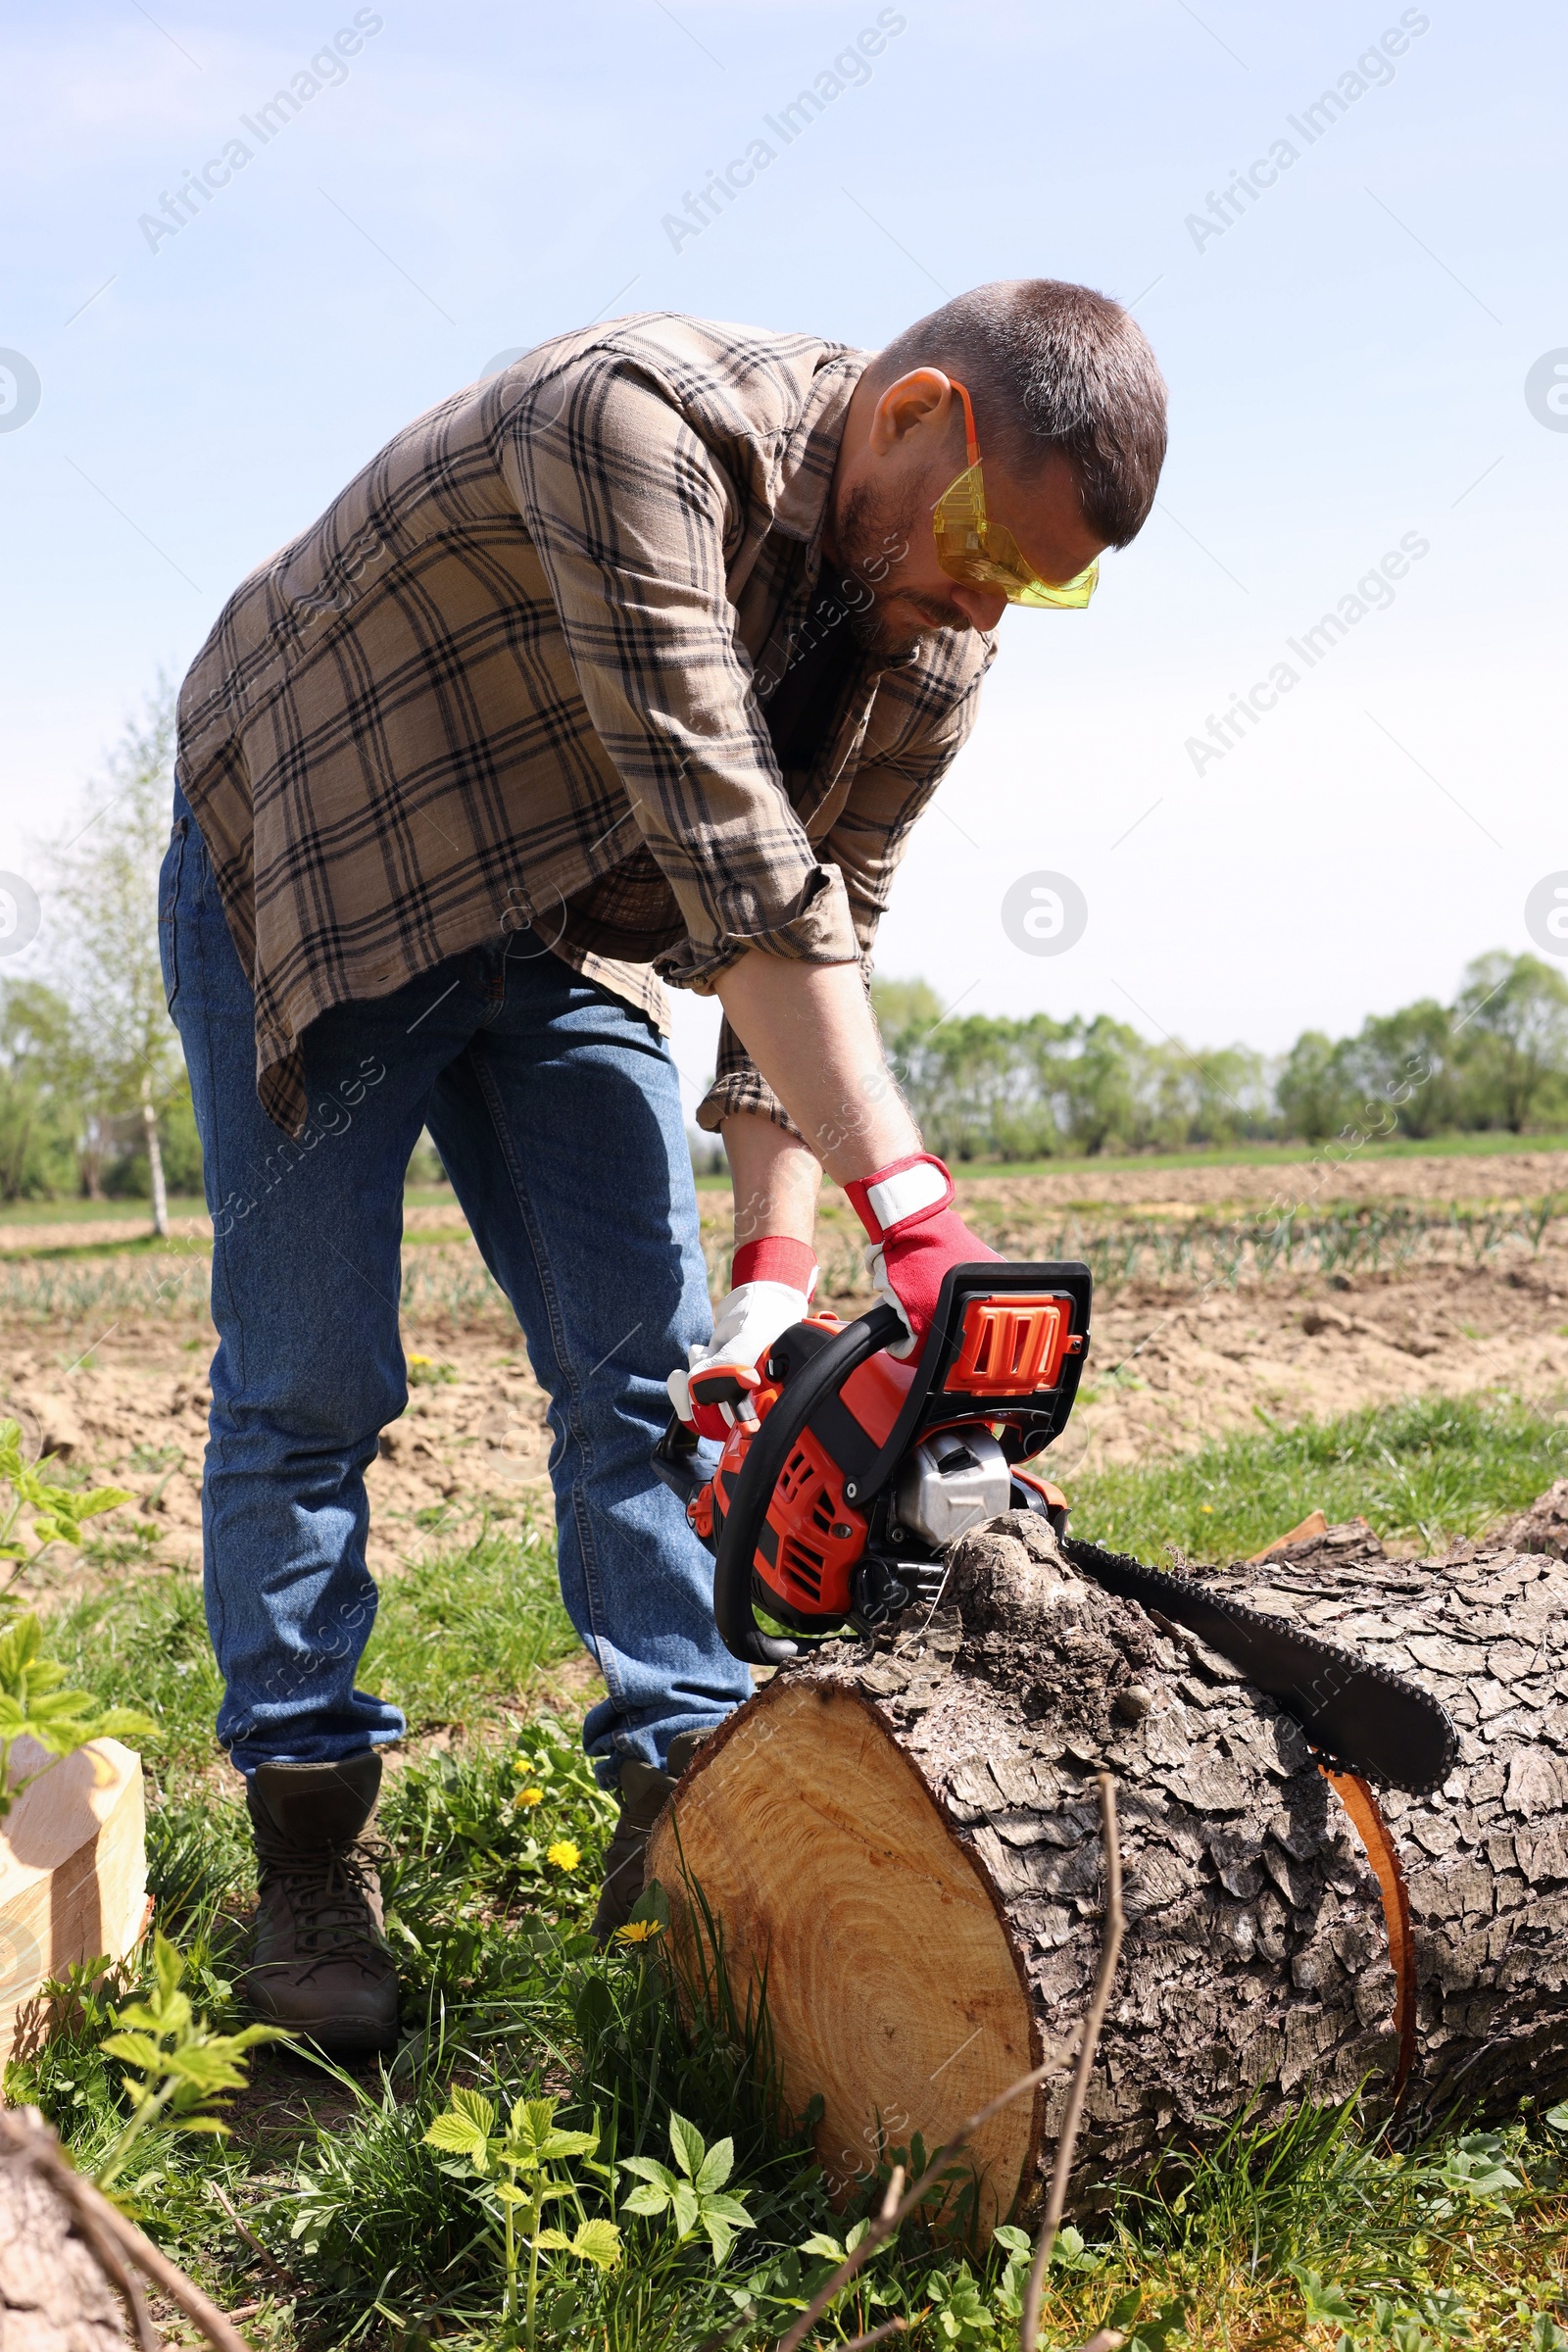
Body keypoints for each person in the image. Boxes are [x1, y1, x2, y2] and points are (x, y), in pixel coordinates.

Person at [164, 280, 1166, 2050]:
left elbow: (824, 924)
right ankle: (306, 1840)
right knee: (312, 1373)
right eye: (983, 546)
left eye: (1046, 582)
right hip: (322, 853)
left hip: (566, 912)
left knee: (654, 1362)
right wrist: (915, 1221)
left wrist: (781, 1286)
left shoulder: (936, 623)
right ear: (916, 411)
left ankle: (684, 1801)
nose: (988, 601)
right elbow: (736, 861)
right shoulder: (635, 425)